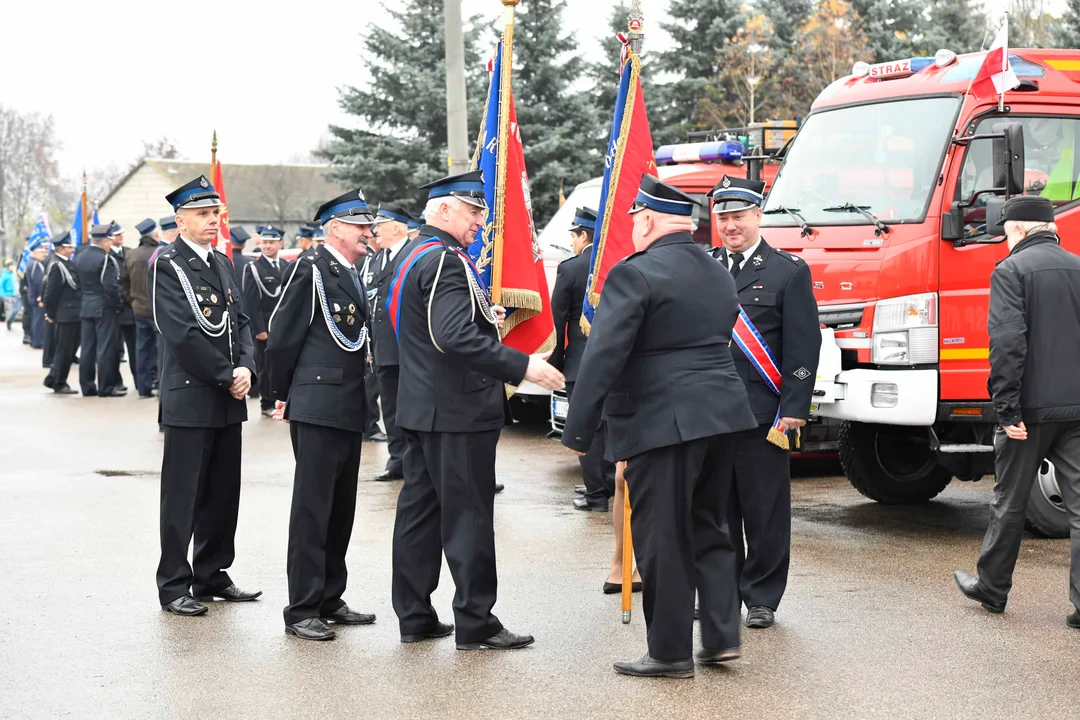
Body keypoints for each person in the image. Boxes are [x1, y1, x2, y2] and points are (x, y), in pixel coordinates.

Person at [561, 175, 758, 679]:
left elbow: (603, 355)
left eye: (632, 221)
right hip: (722, 415)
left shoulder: (634, 274)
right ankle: (719, 638)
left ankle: (669, 651)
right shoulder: (716, 270)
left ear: (645, 220)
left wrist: (579, 432)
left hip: (661, 421)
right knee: (710, 526)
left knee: (662, 537)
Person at [390, 171, 564, 650]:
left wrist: (486, 320)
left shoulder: (410, 252)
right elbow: (452, 336)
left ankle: (415, 616)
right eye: (472, 212)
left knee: (419, 516)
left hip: (423, 406)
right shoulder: (446, 261)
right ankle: (475, 620)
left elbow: (418, 328)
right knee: (467, 517)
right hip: (458, 410)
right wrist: (521, 365)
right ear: (443, 209)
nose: (480, 224)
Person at [955, 195, 1080, 628]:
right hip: (1077, 410)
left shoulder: (1011, 271)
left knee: (1008, 501)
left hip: (1028, 411)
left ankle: (992, 589)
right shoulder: (1079, 266)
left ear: (1020, 230)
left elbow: (1008, 343)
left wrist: (1006, 409)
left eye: (1007, 234)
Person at [708, 175, 820, 631]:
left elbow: (803, 346)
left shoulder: (787, 271)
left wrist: (795, 406)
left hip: (765, 412)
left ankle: (761, 598)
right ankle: (722, 593)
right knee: (717, 511)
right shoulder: (706, 265)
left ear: (758, 215)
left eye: (737, 216)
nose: (730, 226)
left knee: (764, 511)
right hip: (712, 413)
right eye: (722, 218)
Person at [267, 188, 380, 641]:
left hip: (348, 403)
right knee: (313, 510)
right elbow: (282, 334)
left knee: (340, 509)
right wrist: (281, 393)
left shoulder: (349, 271)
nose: (369, 233)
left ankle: (331, 597)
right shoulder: (311, 269)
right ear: (336, 228)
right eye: (360, 226)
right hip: (316, 403)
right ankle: (302, 609)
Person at [151, 175, 260, 616]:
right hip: (192, 394)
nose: (213, 221)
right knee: (183, 495)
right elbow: (181, 333)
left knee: (222, 492)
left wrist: (248, 366)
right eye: (202, 214)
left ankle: (212, 573)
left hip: (226, 395)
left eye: (215, 213)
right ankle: (175, 584)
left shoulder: (221, 262)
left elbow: (243, 321)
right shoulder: (168, 264)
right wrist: (225, 374)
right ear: (180, 219)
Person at [551, 206, 616, 513]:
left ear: (582, 235)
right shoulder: (616, 265)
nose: (573, 243)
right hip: (615, 362)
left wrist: (555, 361)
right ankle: (607, 481)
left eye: (574, 236)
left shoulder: (570, 268)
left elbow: (557, 319)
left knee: (584, 428)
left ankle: (596, 493)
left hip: (580, 362)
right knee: (608, 425)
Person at [368, 204, 417, 480]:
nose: (375, 230)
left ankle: (412, 460)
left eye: (380, 224)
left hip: (407, 347)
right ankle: (396, 459)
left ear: (397, 226)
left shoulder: (413, 254)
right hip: (384, 347)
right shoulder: (377, 259)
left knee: (410, 406)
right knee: (390, 407)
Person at [242, 225, 289, 417]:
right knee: (266, 366)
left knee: (285, 363)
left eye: (271, 242)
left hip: (285, 326)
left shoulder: (287, 266)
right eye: (264, 242)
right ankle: (267, 402)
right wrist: (259, 328)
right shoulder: (253, 268)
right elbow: (251, 302)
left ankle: (284, 399)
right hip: (266, 327)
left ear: (280, 244)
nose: (267, 246)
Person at [75, 225, 124, 397]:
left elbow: (77, 285)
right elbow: (110, 287)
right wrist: (117, 305)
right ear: (104, 241)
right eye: (109, 241)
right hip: (104, 308)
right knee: (105, 348)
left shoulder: (79, 257)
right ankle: (106, 387)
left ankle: (87, 387)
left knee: (87, 349)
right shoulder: (105, 259)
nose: (110, 244)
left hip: (86, 306)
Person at [42, 231, 81, 394]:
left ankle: (52, 378)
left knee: (69, 350)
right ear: (61, 248)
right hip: (65, 315)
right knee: (64, 351)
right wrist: (50, 314)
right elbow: (51, 294)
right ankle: (59, 382)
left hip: (73, 313)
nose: (72, 249)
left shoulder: (68, 263)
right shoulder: (57, 266)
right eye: (69, 247)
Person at [358, 232, 388, 443]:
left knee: (375, 383)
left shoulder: (380, 260)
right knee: (369, 383)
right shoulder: (366, 262)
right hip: (369, 333)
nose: (373, 238)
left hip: (381, 333)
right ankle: (368, 425)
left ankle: (369, 424)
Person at [128, 218, 161, 398]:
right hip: (157, 308)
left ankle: (143, 387)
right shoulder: (159, 253)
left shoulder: (131, 254)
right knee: (161, 348)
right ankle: (161, 385)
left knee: (141, 349)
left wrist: (133, 299)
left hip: (138, 307)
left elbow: (124, 282)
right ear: (155, 234)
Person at [111, 223, 138, 388]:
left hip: (130, 308)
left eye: (121, 234)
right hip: (114, 309)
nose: (120, 237)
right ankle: (116, 382)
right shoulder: (106, 255)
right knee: (114, 349)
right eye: (116, 235)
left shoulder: (128, 252)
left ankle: (139, 381)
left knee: (135, 348)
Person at [25, 242, 48, 349]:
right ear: (35, 253)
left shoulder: (33, 263)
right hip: (37, 297)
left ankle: (37, 340)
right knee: (38, 320)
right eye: (42, 252)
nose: (45, 254)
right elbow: (39, 282)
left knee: (37, 318)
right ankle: (38, 341)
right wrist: (41, 296)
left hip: (35, 296)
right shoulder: (35, 264)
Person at [1, 260, 20, 329]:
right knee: (9, 310)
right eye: (12, 266)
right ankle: (8, 323)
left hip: (16, 295)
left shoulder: (15, 274)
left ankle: (10, 320)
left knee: (16, 310)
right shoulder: (4, 275)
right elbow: (1, 286)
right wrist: (4, 295)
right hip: (8, 295)